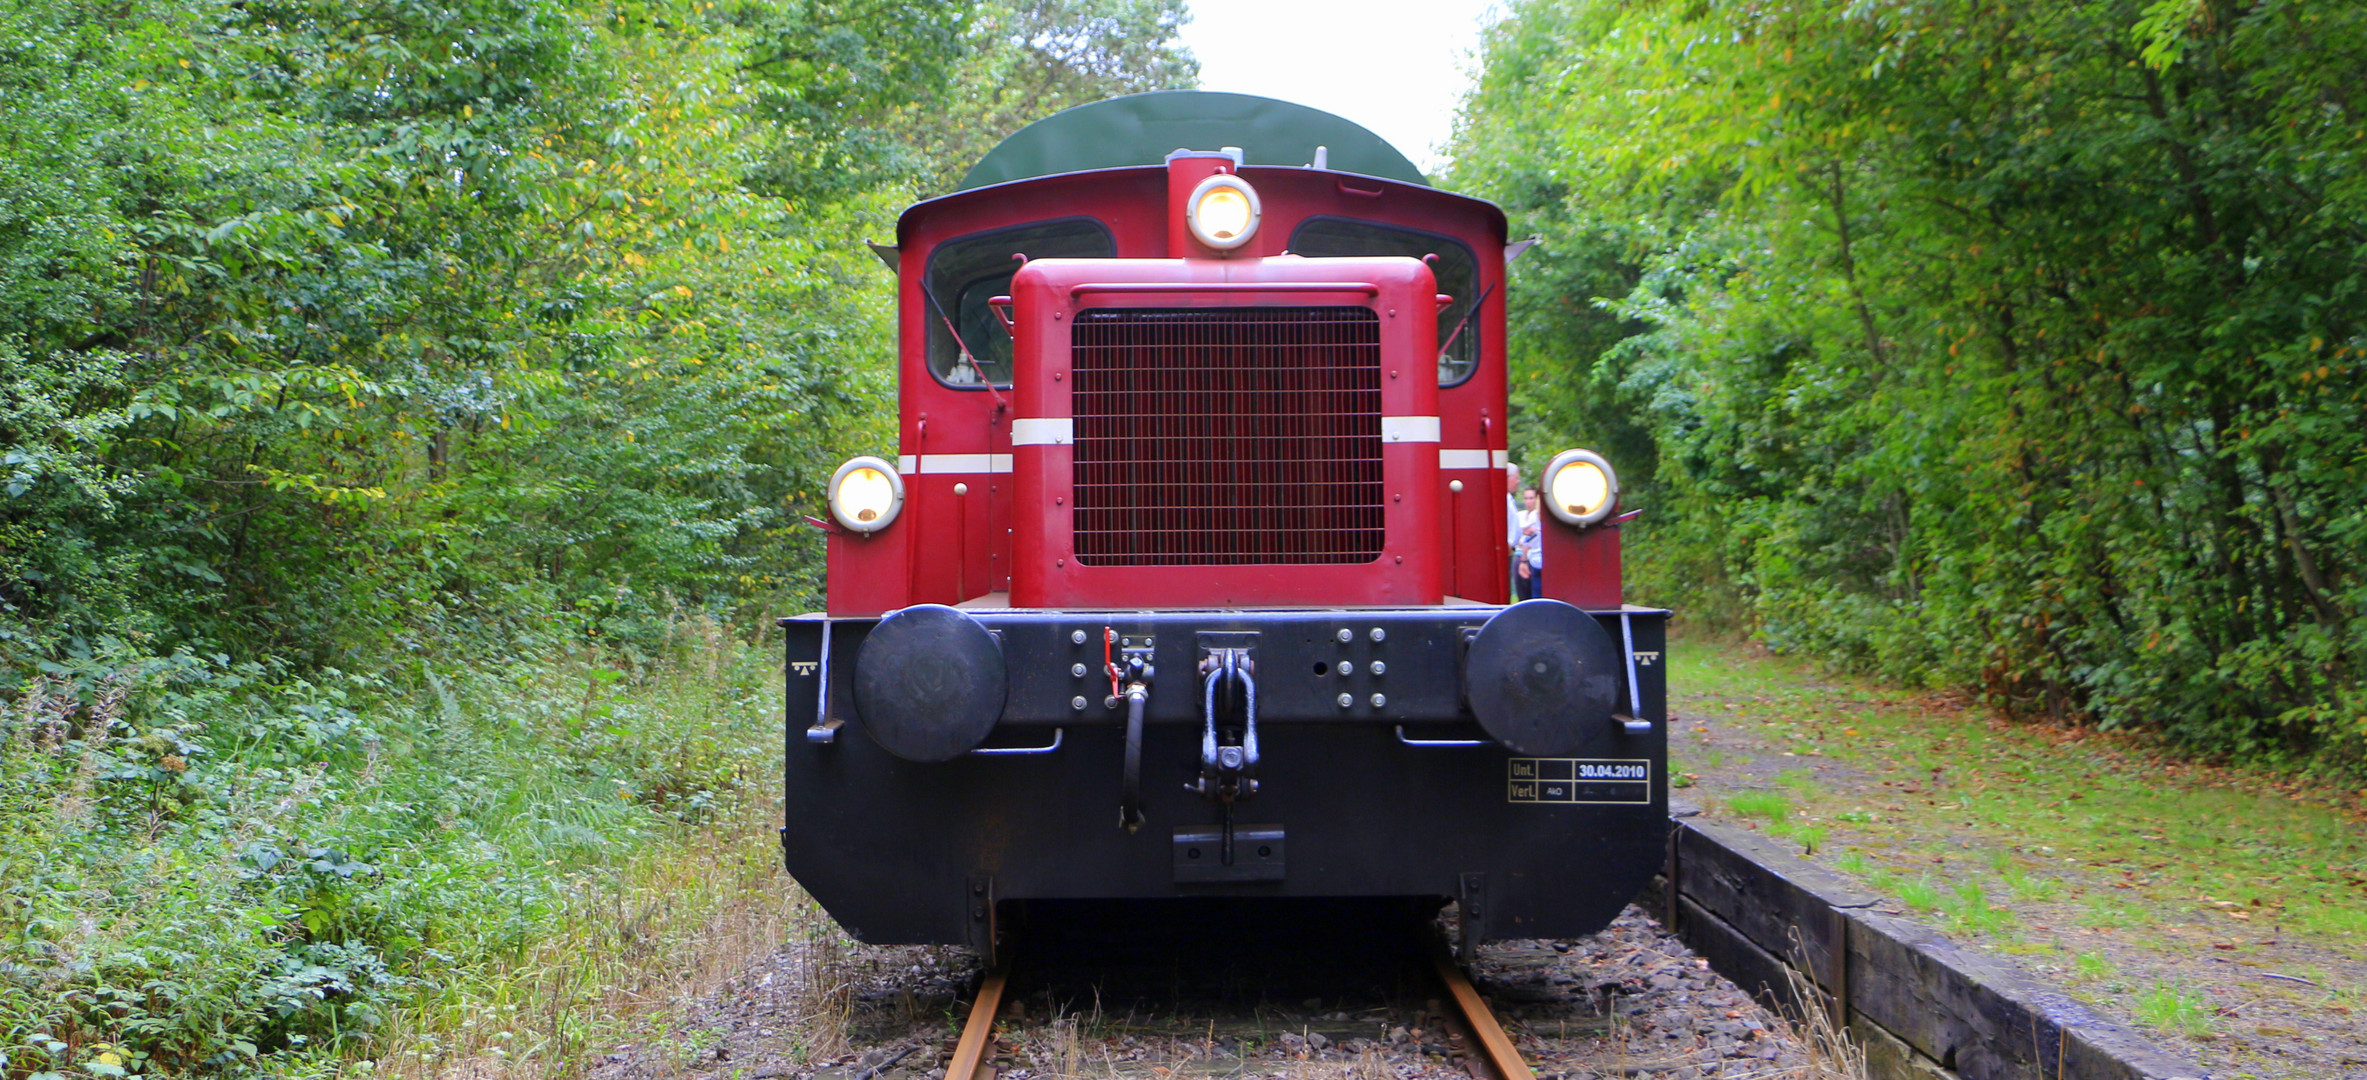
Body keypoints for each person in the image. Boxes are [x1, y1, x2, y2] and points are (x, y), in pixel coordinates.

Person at [1509, 470, 1543, 601]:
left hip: (1534, 558)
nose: (1529, 501)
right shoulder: (1520, 515)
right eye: (1526, 498)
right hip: (1525, 557)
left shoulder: (1537, 515)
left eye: (1532, 498)